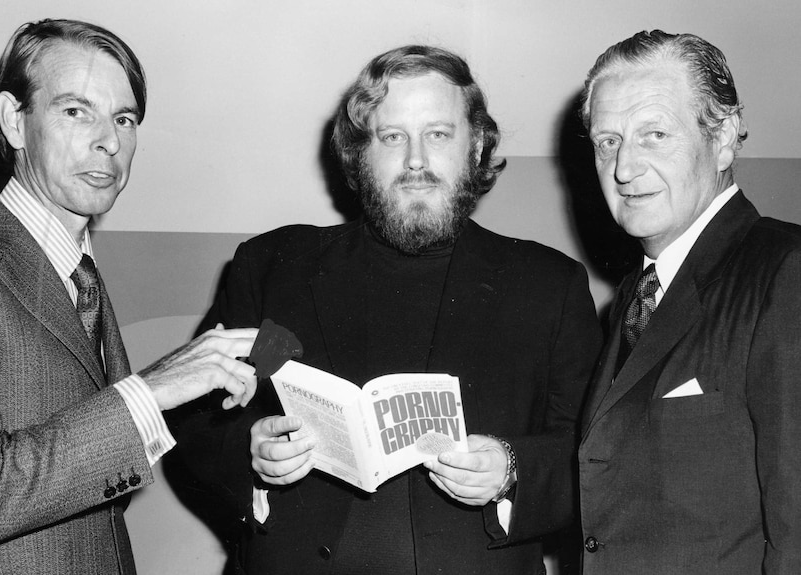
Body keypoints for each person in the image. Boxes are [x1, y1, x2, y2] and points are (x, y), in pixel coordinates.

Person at [172, 45, 601, 575]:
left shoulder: (549, 285)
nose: (416, 159)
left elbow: (597, 456)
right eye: (392, 136)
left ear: (475, 148)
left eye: (438, 135)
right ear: (358, 153)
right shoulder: (271, 265)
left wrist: (512, 471)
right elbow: (195, 416)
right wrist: (251, 454)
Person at [0, 19, 259, 574]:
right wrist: (149, 391)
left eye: (124, 118)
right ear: (15, 121)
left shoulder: (78, 267)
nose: (110, 140)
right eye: (75, 110)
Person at [577, 30, 801, 574]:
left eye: (654, 134)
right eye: (608, 141)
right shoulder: (634, 297)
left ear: (723, 137)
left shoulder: (784, 271)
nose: (624, 168)